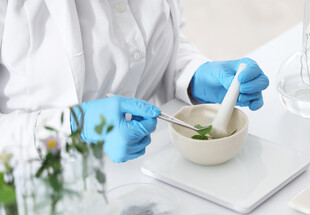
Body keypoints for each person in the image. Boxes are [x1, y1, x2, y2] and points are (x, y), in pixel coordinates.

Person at [0, 1, 269, 163]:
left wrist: (192, 74)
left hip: (143, 171)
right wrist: (73, 127)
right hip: (34, 196)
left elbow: (149, 45)